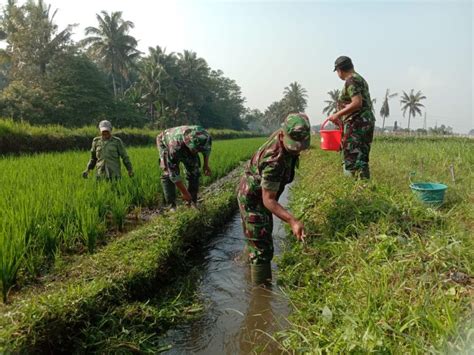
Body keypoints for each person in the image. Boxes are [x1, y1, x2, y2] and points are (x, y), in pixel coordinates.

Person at [237, 113, 310, 284]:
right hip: (253, 199)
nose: (298, 149)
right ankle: (261, 295)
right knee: (262, 249)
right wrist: (292, 221)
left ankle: (245, 263)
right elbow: (268, 200)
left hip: (263, 196)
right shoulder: (274, 159)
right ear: (282, 135)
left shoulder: (287, 144)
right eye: (294, 145)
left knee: (260, 236)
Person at [327, 56, 375, 179]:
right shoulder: (360, 79)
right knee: (361, 156)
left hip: (357, 124)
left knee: (353, 158)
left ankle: (356, 189)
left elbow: (357, 103)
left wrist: (337, 114)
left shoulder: (351, 80)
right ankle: (364, 188)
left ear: (339, 70)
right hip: (364, 123)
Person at [156, 125, 212, 208]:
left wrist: (206, 165)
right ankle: (171, 206)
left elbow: (207, 150)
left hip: (185, 144)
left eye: (198, 150)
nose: (197, 151)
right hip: (165, 142)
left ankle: (191, 202)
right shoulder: (175, 146)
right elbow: (173, 172)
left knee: (194, 171)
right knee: (167, 172)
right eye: (195, 149)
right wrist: (184, 193)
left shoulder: (206, 137)